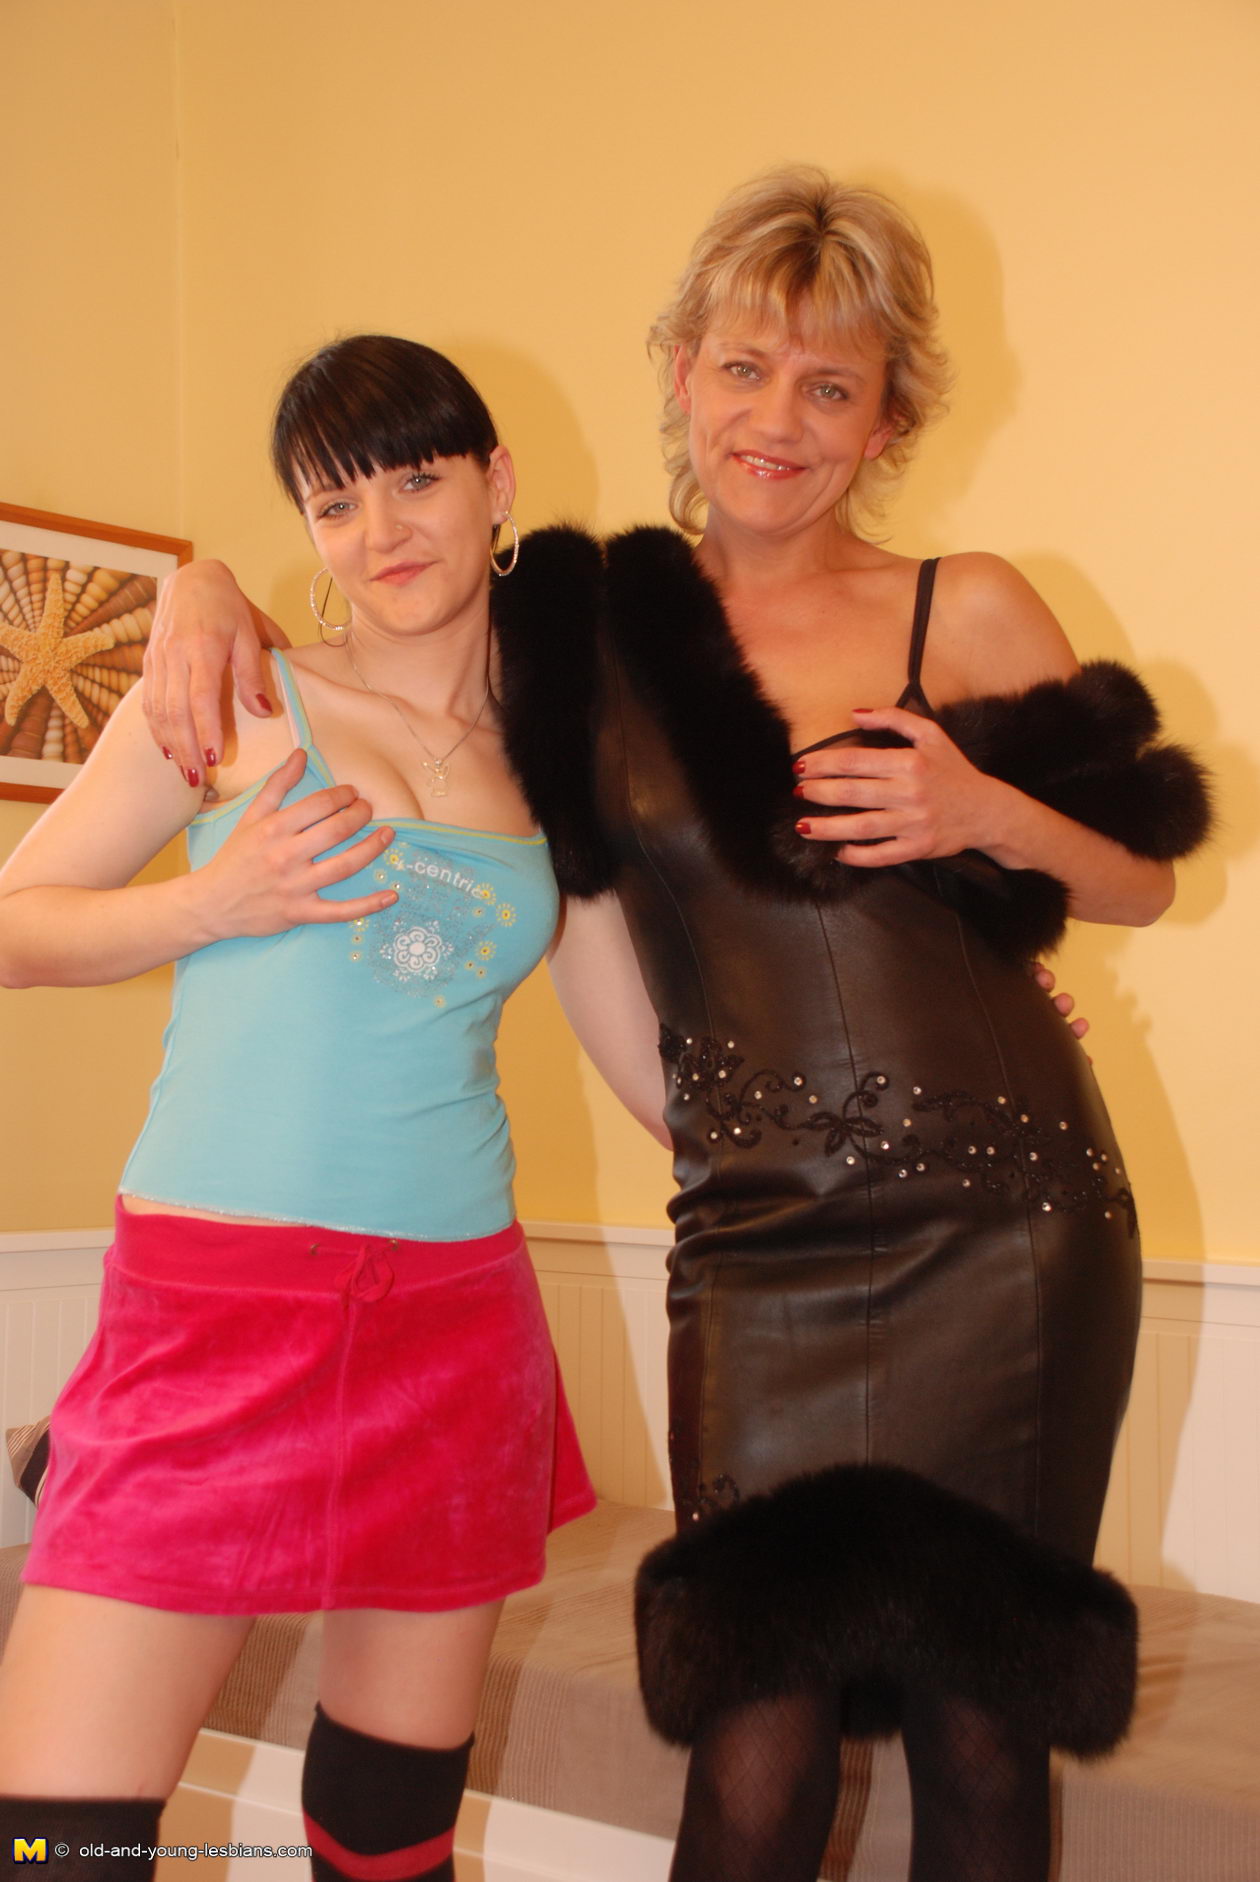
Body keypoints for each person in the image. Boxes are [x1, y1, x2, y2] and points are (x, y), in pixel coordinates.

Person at [138, 172, 1212, 1882]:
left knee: (983, 1729)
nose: (776, 420)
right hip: (761, 1234)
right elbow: (372, 631)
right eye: (743, 369)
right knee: (754, 1738)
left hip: (1008, 1215)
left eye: (830, 385)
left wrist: (985, 811)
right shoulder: (576, 624)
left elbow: (1141, 876)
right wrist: (202, 585)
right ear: (680, 372)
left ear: (887, 420)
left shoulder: (970, 603)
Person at [0, 335, 632, 1882]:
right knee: (57, 1842)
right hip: (208, 1314)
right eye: (336, 502)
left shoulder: (561, 762)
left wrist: (959, 1015)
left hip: (451, 1324)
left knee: (390, 1834)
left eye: (417, 479)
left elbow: (666, 1079)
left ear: (497, 483)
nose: (382, 530)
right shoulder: (236, 692)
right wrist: (211, 905)